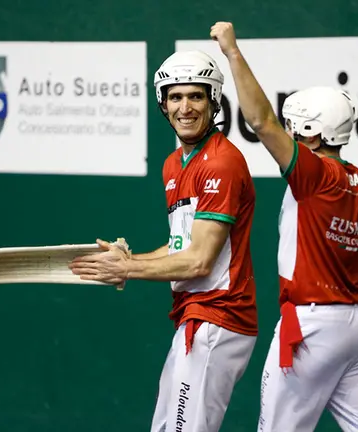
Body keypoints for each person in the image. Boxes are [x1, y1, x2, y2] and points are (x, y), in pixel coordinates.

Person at [210, 22, 358, 432]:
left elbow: (260, 122)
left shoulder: (314, 174)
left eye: (296, 126)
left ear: (313, 132)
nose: (290, 131)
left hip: (314, 328)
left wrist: (232, 51)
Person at [69, 49, 259, 432]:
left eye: (196, 96)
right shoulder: (175, 164)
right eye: (175, 96)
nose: (185, 107)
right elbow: (181, 246)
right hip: (194, 317)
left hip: (219, 316)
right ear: (163, 104)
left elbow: (199, 261)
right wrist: (132, 258)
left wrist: (128, 268)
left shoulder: (221, 163)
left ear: (213, 100)